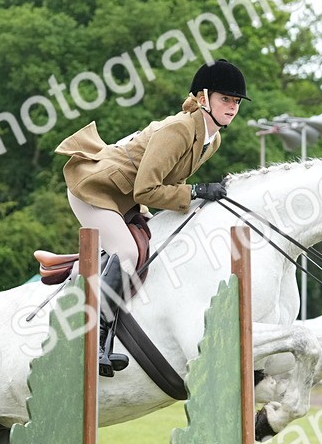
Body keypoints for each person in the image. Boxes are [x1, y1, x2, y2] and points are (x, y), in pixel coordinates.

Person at [55, 58, 250, 375]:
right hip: (95, 190)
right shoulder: (178, 130)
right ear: (203, 98)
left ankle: (90, 288)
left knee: (155, 244)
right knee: (128, 251)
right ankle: (93, 339)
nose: (232, 107)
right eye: (225, 99)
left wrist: (194, 194)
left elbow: (168, 183)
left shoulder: (212, 140)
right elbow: (147, 190)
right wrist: (195, 191)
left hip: (126, 195)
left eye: (236, 101)